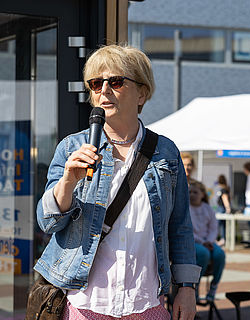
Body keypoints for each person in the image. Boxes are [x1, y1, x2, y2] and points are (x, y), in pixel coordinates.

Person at [34, 44, 200, 320]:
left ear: (142, 93)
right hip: (86, 302)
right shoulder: (72, 147)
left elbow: (180, 225)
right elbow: (48, 222)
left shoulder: (166, 152)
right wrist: (67, 181)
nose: (104, 90)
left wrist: (187, 287)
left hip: (145, 301)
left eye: (117, 81)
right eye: (96, 83)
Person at [188, 180, 226, 303]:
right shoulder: (185, 208)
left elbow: (213, 228)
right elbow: (186, 229)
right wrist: (202, 242)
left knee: (220, 254)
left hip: (208, 241)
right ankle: (196, 287)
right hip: (193, 241)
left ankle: (213, 287)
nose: (192, 194)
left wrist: (209, 241)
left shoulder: (208, 209)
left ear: (203, 194)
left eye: (195, 192)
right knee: (203, 254)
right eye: (190, 192)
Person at [216, 174, 232, 246]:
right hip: (221, 208)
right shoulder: (226, 188)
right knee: (222, 225)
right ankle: (223, 239)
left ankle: (221, 239)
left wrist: (227, 208)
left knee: (219, 224)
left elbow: (225, 199)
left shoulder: (223, 190)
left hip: (221, 208)